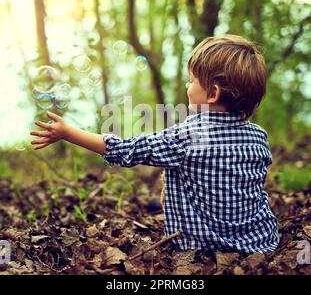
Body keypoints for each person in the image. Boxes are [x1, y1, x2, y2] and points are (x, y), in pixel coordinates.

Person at [30, 35, 279, 254]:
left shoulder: (188, 136)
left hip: (206, 247)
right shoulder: (259, 136)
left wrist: (68, 132)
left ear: (212, 94)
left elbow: (126, 150)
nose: (186, 86)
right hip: (259, 242)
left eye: (191, 81)